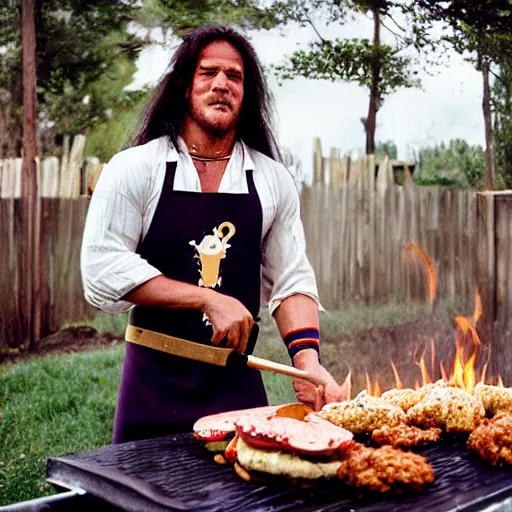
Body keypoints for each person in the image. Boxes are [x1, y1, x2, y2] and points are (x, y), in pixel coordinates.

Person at [81, 24, 348, 444]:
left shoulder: (272, 179)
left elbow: (291, 279)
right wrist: (207, 297)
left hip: (236, 386)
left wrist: (307, 361)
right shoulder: (135, 168)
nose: (222, 84)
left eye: (235, 76)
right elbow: (101, 270)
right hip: (153, 384)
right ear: (185, 87)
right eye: (208, 73)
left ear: (247, 93)